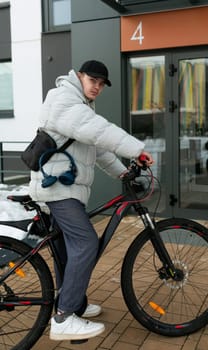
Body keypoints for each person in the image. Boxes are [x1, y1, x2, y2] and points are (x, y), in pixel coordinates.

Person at [29, 60, 153, 341]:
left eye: (101, 83)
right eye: (93, 80)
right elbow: (99, 130)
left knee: (66, 252)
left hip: (63, 188)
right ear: (79, 76)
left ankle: (75, 304)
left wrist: (123, 171)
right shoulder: (64, 99)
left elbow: (96, 148)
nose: (97, 86)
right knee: (85, 243)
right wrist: (137, 151)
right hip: (57, 189)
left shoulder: (81, 106)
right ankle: (63, 318)